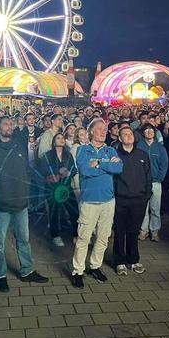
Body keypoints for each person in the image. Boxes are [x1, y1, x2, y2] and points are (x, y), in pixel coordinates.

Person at [0, 116, 49, 292]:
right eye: (5, 124)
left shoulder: (19, 145)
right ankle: (1, 275)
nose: (9, 126)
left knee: (24, 239)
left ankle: (27, 270)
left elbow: (27, 170)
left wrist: (27, 193)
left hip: (21, 202)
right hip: (1, 203)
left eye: (11, 124)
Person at [70, 119, 123, 288]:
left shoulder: (110, 149)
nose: (103, 131)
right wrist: (107, 165)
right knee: (84, 237)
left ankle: (95, 266)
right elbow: (85, 170)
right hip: (90, 200)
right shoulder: (83, 150)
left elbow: (119, 168)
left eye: (105, 129)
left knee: (103, 236)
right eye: (100, 129)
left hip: (108, 200)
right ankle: (78, 270)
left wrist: (99, 163)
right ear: (91, 132)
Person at [113, 126, 151, 275]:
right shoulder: (115, 155)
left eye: (130, 134)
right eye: (125, 134)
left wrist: (146, 195)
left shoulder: (142, 155)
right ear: (120, 138)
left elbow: (148, 176)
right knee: (119, 231)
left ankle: (134, 259)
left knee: (133, 231)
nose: (128, 136)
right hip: (120, 199)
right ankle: (119, 261)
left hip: (139, 200)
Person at [39, 132, 78, 247]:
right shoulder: (48, 155)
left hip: (66, 187)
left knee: (74, 210)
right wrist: (56, 173)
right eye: (58, 138)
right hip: (52, 187)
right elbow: (43, 170)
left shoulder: (68, 154)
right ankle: (55, 235)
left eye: (63, 138)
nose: (61, 140)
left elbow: (74, 169)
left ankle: (76, 234)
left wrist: (69, 173)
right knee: (54, 211)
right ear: (54, 141)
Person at [138, 123, 168, 241]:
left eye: (151, 130)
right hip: (142, 182)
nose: (149, 132)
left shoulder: (160, 148)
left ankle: (155, 230)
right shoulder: (139, 146)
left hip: (155, 182)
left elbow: (164, 165)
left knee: (155, 208)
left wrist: (160, 178)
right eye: (146, 130)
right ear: (143, 133)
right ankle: (143, 230)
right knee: (143, 208)